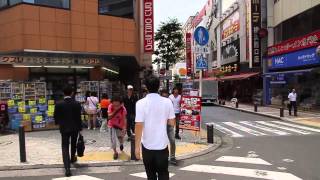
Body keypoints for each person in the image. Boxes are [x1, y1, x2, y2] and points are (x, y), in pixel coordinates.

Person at [135, 75, 176, 180]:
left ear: (146, 87)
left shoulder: (140, 103)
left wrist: (136, 148)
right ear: (158, 87)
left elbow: (138, 126)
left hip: (147, 146)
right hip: (162, 145)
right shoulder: (167, 102)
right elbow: (172, 123)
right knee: (163, 174)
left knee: (151, 176)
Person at [54, 86, 82, 177]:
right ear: (72, 93)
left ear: (63, 93)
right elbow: (79, 118)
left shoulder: (59, 104)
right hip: (75, 128)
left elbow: (56, 117)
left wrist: (58, 123)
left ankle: (67, 168)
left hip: (64, 128)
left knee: (65, 146)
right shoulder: (77, 104)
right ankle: (72, 158)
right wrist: (80, 128)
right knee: (73, 143)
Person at [160, 89, 178, 166]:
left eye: (166, 96)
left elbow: (172, 113)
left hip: (169, 125)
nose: (165, 98)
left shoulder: (169, 102)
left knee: (172, 140)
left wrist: (173, 124)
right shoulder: (158, 103)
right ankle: (163, 157)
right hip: (161, 125)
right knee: (162, 142)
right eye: (163, 96)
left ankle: (172, 157)